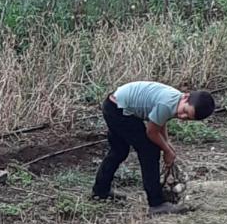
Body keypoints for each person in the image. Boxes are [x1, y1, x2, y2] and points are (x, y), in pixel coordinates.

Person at [91, 80, 215, 216]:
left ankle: (100, 191)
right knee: (150, 151)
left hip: (114, 104)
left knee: (119, 151)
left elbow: (160, 122)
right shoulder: (167, 104)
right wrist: (166, 150)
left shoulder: (176, 99)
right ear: (186, 96)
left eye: (187, 118)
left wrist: (167, 143)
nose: (182, 116)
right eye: (185, 111)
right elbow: (151, 131)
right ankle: (156, 204)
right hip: (119, 110)